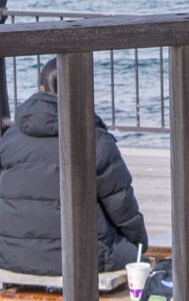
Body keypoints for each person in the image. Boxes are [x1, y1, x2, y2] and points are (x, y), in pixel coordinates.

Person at [0, 60, 147, 279]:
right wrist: (139, 245)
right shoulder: (95, 139)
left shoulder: (10, 137)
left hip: (11, 255)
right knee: (137, 259)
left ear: (41, 89)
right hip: (82, 257)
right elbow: (122, 207)